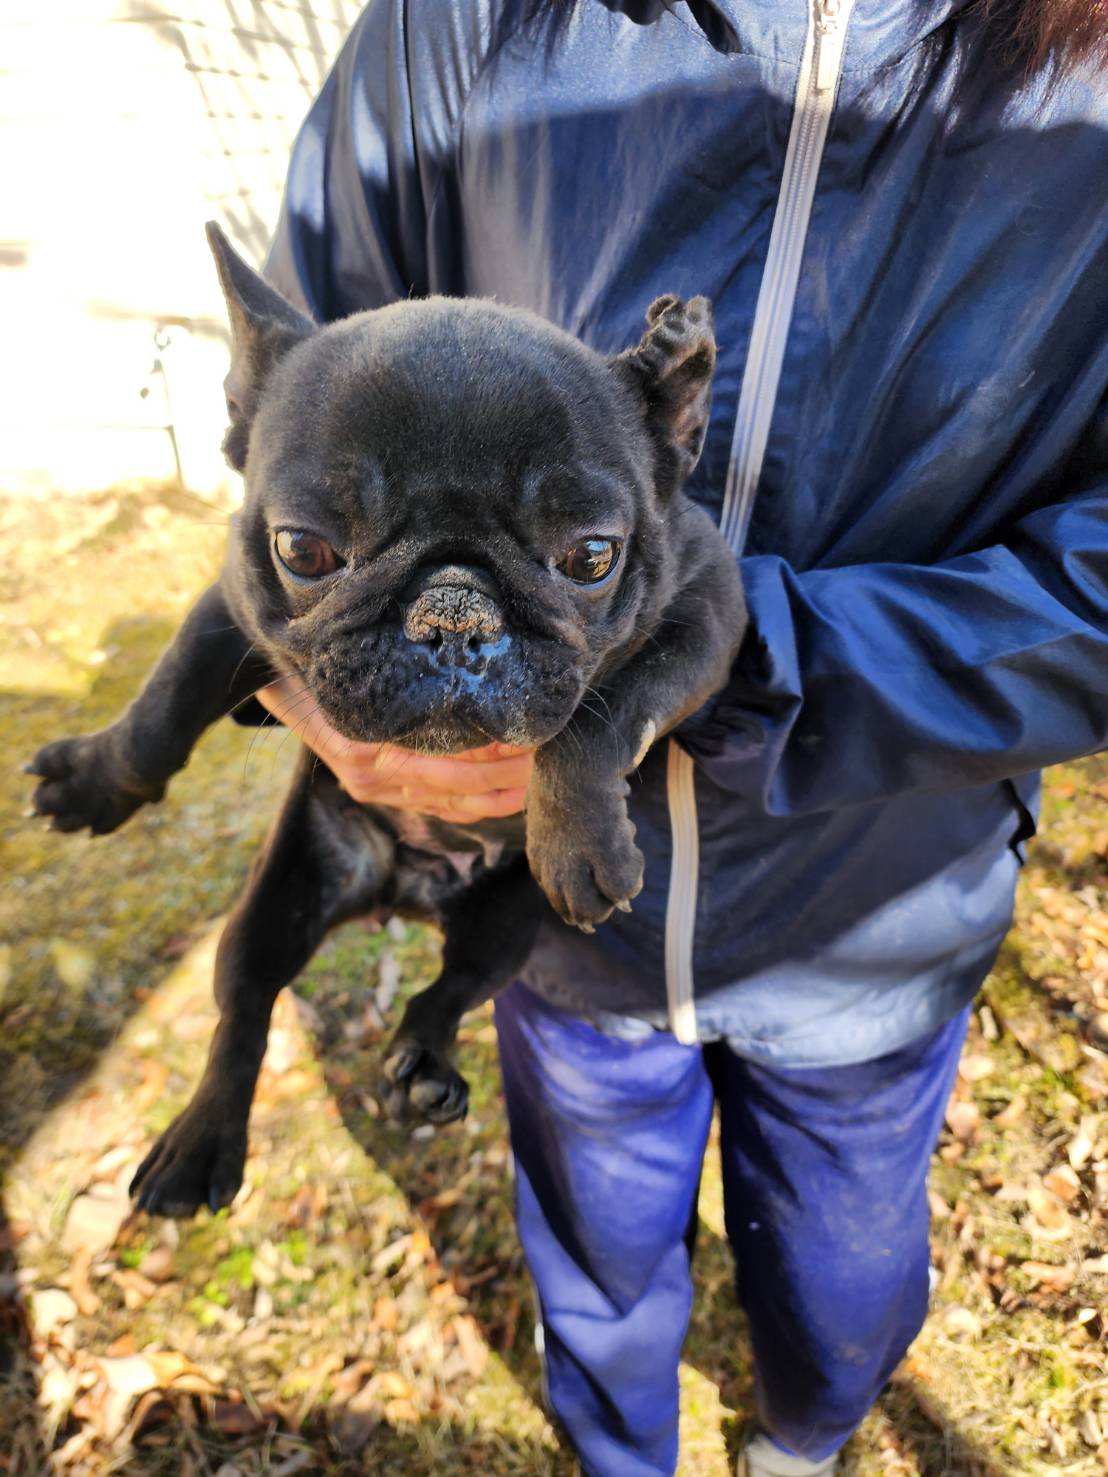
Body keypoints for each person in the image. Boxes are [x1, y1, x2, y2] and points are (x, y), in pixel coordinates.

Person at [244, 2, 1108, 1472]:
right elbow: (300, 389)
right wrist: (332, 669)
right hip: (548, 917)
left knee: (843, 1287)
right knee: (595, 1260)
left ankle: (803, 1438)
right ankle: (619, 1452)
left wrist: (750, 657)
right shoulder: (460, 20)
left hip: (878, 898)